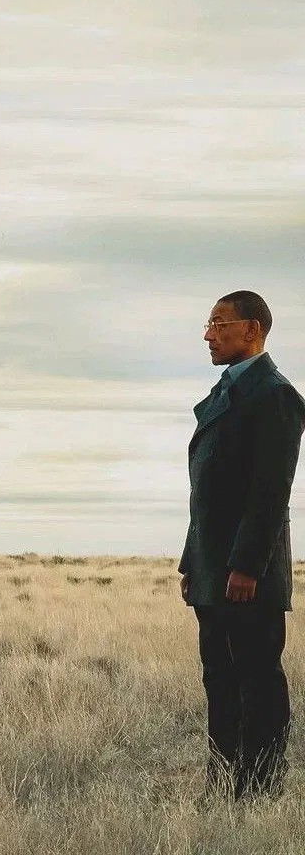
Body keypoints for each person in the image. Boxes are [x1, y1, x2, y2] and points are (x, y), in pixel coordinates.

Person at [179, 290, 305, 801]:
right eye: (208, 324)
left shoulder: (274, 395)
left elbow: (270, 492)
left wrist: (247, 567)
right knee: (219, 676)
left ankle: (259, 788)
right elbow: (205, 496)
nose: (208, 335)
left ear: (251, 330)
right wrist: (192, 563)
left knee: (256, 678)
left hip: (248, 572)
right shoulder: (226, 392)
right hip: (213, 568)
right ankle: (224, 780)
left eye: (218, 323)